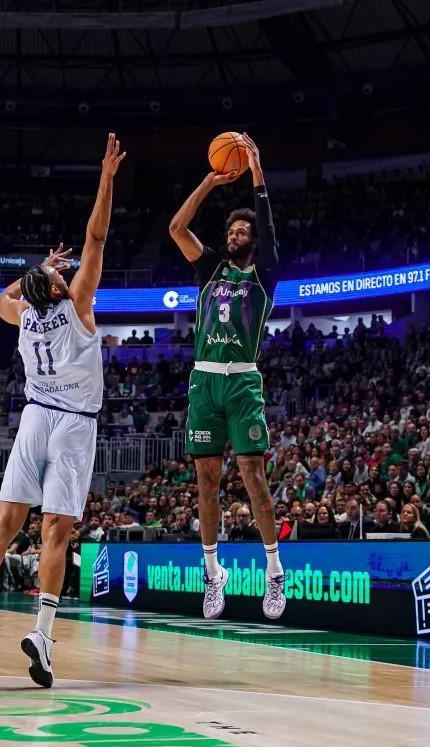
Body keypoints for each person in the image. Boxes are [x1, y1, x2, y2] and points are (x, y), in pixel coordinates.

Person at [0, 133, 124, 688]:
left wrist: (33, 272)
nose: (65, 275)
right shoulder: (78, 305)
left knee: (6, 519)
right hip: (73, 425)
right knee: (55, 531)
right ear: (59, 290)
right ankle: (42, 635)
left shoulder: (23, 316)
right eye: (59, 276)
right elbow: (97, 235)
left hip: (34, 417)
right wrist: (106, 179)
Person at [167, 132, 286, 621]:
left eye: (242, 231)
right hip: (204, 381)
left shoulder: (264, 276)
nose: (235, 234)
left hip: (242, 382)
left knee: (254, 476)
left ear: (253, 241)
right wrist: (209, 182)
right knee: (206, 481)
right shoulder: (210, 270)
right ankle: (213, 574)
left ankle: (274, 571)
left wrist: (256, 173)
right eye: (231, 230)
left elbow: (269, 228)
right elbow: (176, 227)